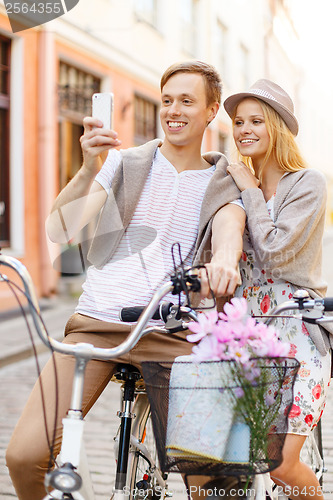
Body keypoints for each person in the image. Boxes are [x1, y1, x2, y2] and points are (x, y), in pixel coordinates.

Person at [6, 61, 245, 500]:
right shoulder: (122, 162)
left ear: (212, 111)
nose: (173, 110)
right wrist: (87, 167)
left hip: (173, 332)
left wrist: (224, 263)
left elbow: (229, 231)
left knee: (211, 482)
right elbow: (60, 230)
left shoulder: (224, 180)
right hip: (97, 324)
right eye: (167, 100)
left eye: (186, 101)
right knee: (24, 456)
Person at [223, 79, 332, 500]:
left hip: (299, 337)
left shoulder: (308, 183)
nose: (244, 129)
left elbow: (275, 254)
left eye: (256, 120)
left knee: (283, 465)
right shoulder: (234, 185)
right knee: (251, 462)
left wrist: (250, 191)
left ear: (278, 128)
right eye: (238, 121)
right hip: (251, 339)